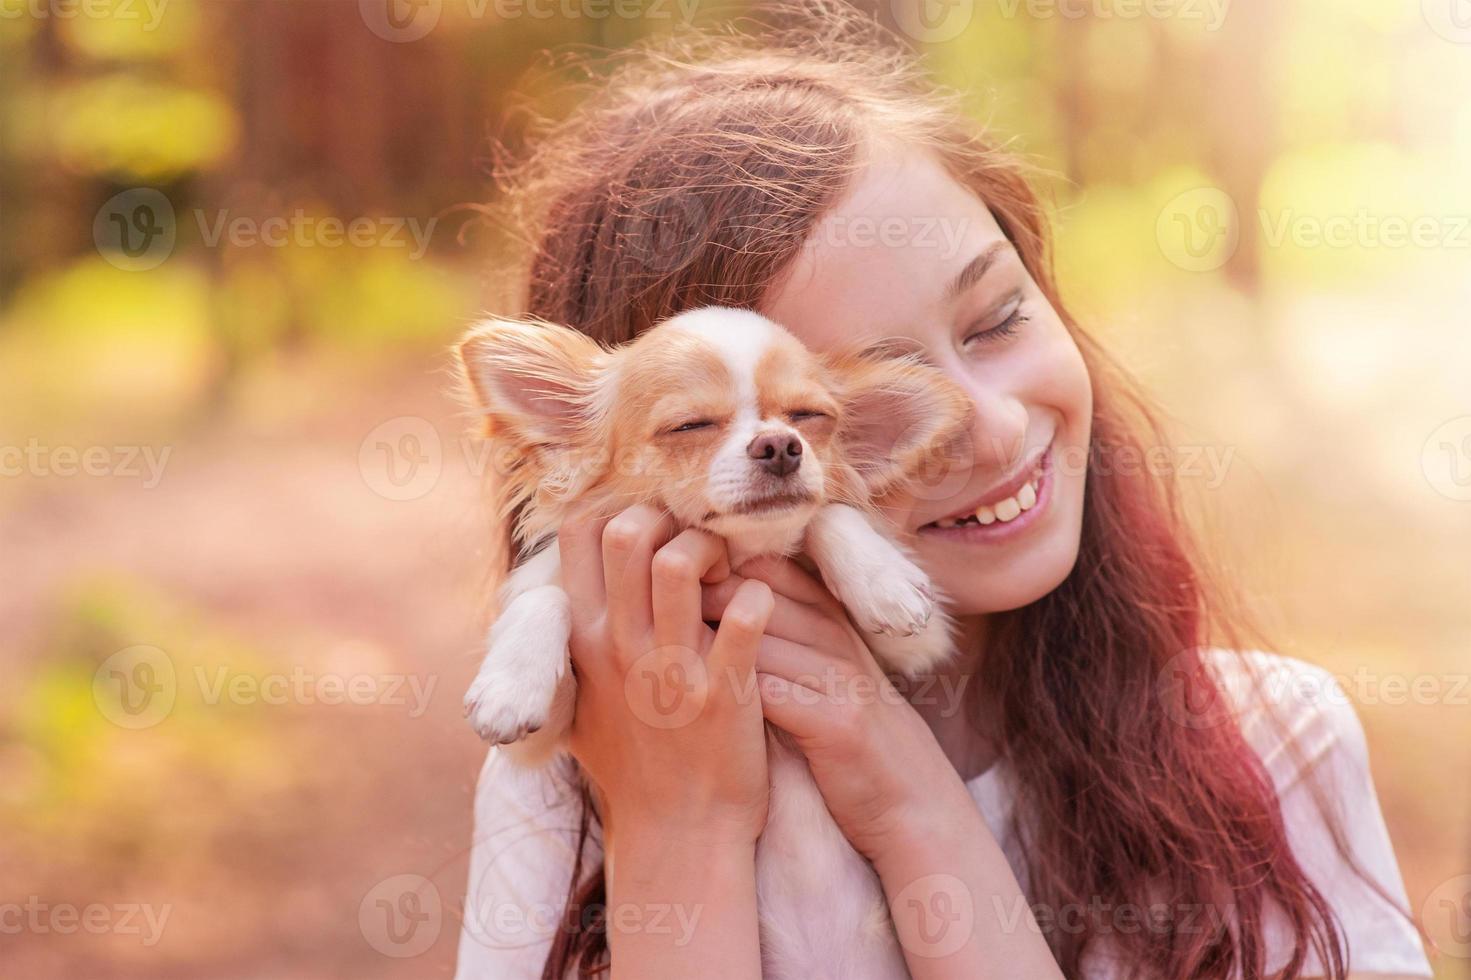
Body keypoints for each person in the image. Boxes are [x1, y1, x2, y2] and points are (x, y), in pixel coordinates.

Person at [452, 8, 1431, 978]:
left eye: (997, 317)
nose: (994, 426)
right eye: (874, 396)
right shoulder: (568, 796)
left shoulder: (1270, 745)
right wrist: (679, 827)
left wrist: (909, 799)